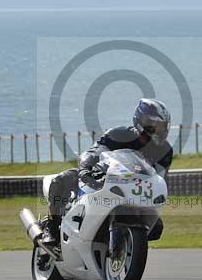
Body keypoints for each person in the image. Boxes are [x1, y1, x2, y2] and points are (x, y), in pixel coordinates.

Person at [44, 98, 173, 246]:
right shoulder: (120, 134)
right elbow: (94, 151)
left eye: (162, 126)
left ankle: (126, 243)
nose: (160, 130)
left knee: (157, 227)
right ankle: (52, 227)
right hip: (100, 177)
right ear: (142, 122)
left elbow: (160, 178)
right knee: (59, 181)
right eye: (155, 126)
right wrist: (86, 168)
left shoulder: (165, 151)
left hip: (132, 191)